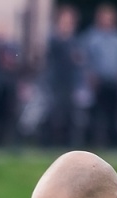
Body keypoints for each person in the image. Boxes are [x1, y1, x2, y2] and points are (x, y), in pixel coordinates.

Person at [80, 3, 117, 147]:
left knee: (114, 116)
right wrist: (89, 76)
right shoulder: (91, 37)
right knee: (97, 116)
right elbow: (84, 59)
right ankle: (95, 144)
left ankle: (113, 144)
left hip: (114, 82)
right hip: (97, 82)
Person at [44, 6, 84, 147]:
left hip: (70, 84)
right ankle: (51, 144)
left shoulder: (75, 41)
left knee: (70, 117)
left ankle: (68, 146)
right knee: (55, 116)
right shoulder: (55, 39)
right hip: (56, 84)